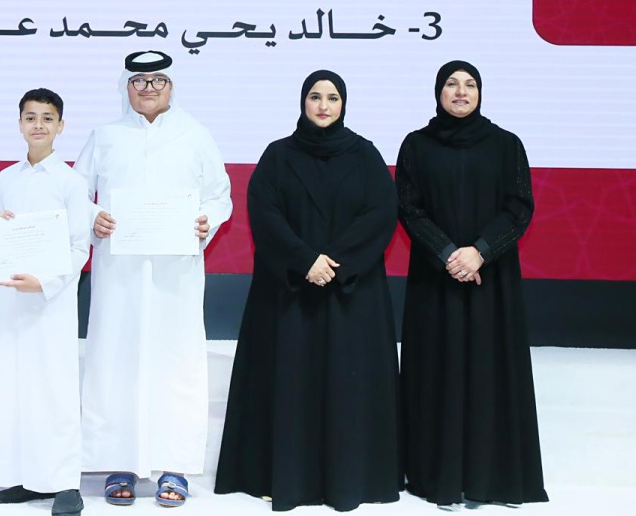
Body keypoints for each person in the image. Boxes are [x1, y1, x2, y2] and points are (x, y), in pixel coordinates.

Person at [215, 70, 402, 511]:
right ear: (302, 102)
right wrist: (305, 261)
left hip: (350, 295)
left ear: (344, 104)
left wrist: (334, 263)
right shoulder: (278, 156)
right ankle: (286, 478)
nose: (323, 105)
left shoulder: (365, 155)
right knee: (290, 384)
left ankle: (348, 479)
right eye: (315, 97)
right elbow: (265, 214)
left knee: (347, 387)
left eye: (332, 97)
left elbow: (381, 213)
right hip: (290, 295)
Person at [74, 50, 232, 507]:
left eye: (157, 80)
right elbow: (76, 192)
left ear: (171, 86)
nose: (147, 88)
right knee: (114, 361)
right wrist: (92, 217)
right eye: (139, 80)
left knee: (176, 363)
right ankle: (118, 461)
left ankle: (174, 466)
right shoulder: (104, 136)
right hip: (118, 271)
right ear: (126, 87)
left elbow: (219, 196)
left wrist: (205, 219)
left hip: (175, 272)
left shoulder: (194, 134)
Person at [395, 60, 547, 508]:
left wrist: (479, 250)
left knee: (488, 371)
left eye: (470, 85)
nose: (461, 92)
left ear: (480, 93)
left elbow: (519, 206)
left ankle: (492, 480)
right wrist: (448, 253)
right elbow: (408, 207)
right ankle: (436, 478)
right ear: (438, 92)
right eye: (451, 84)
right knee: (437, 372)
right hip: (435, 281)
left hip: (491, 280)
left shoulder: (505, 145)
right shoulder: (417, 146)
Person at [0, 88, 91, 516]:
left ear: (61, 126)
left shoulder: (71, 182)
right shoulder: (7, 179)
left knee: (53, 389)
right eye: (30, 117)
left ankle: (64, 483)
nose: (38, 125)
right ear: (19, 124)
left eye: (47, 118)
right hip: (10, 299)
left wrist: (44, 281)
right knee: (14, 388)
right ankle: (26, 477)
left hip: (50, 302)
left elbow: (80, 248)